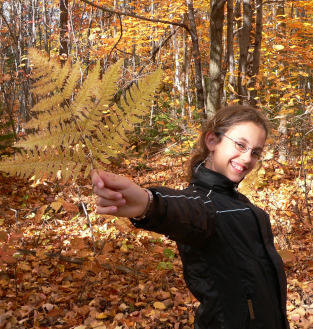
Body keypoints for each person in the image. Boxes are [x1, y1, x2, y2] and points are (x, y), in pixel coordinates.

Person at [91, 105, 289, 328]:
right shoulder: (203, 204)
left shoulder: (239, 202)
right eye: (240, 145)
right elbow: (183, 210)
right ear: (212, 141)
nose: (247, 158)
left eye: (255, 152)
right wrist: (148, 203)